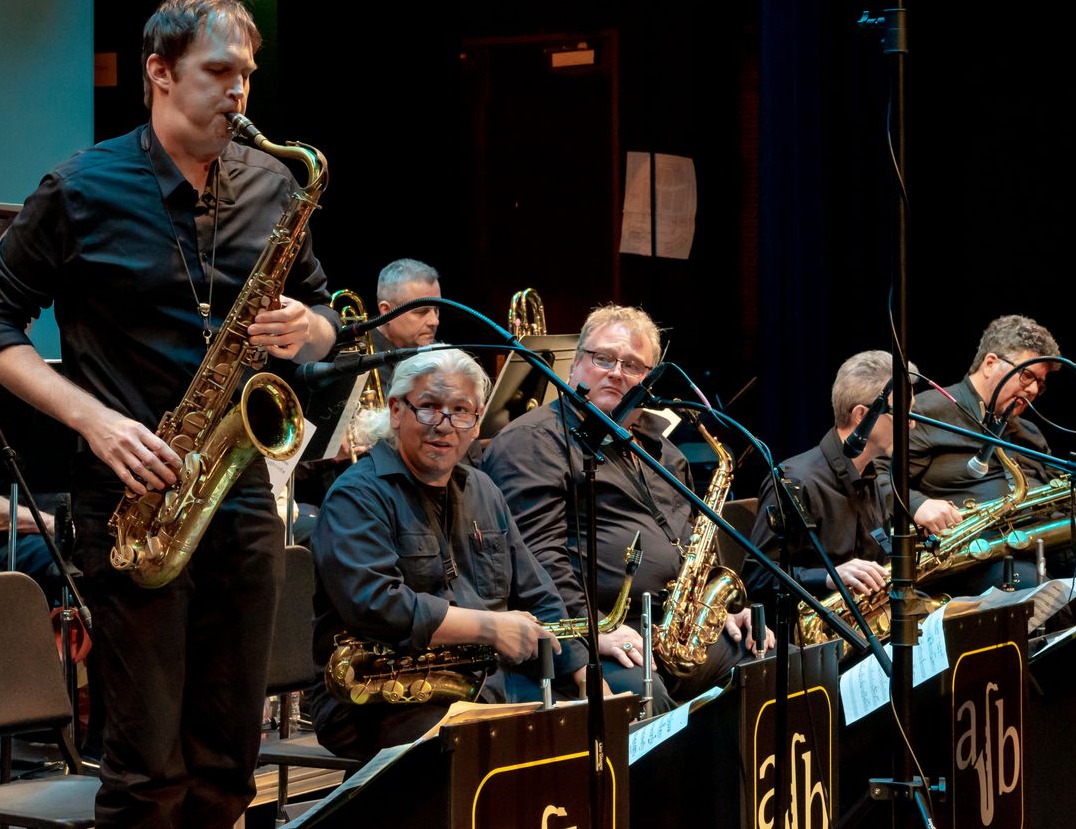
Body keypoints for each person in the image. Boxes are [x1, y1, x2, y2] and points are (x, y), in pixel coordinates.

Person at [0, 0, 339, 828]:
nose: (239, 92)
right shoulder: (80, 187)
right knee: (147, 770)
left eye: (247, 75)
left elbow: (323, 318)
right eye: (219, 72)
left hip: (238, 487)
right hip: (132, 495)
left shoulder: (273, 184)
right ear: (160, 73)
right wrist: (92, 420)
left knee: (229, 756)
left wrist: (307, 328)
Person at [482, 304, 772, 713]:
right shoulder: (532, 441)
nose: (616, 373)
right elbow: (537, 562)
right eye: (603, 358)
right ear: (575, 364)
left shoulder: (663, 450)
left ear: (649, 382)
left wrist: (713, 608)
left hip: (672, 625)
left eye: (633, 366)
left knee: (778, 666)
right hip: (593, 631)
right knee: (647, 702)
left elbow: (692, 539)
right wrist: (593, 631)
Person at [309, 349, 589, 760]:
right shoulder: (356, 495)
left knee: (585, 727)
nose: (444, 424)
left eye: (460, 411)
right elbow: (377, 605)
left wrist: (586, 677)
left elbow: (537, 593)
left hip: (479, 683)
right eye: (429, 407)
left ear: (477, 422)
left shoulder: (483, 489)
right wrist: (490, 628)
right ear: (396, 410)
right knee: (480, 749)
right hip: (374, 697)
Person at [900, 314, 1076, 602]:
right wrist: (919, 505)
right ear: (990, 363)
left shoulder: (1029, 432)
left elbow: (1058, 496)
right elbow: (880, 476)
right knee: (1042, 599)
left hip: (1052, 552)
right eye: (1027, 375)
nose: (1033, 390)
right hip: (976, 558)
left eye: (1040, 383)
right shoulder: (928, 411)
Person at [743, 351, 908, 608]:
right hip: (806, 629)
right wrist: (829, 577)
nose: (911, 425)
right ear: (862, 415)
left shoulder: (870, 477)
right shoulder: (796, 481)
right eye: (903, 413)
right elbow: (755, 578)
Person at [370, 258, 441, 393]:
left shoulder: (437, 352)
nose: (434, 321)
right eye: (421, 311)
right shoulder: (360, 360)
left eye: (437, 309)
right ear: (387, 311)